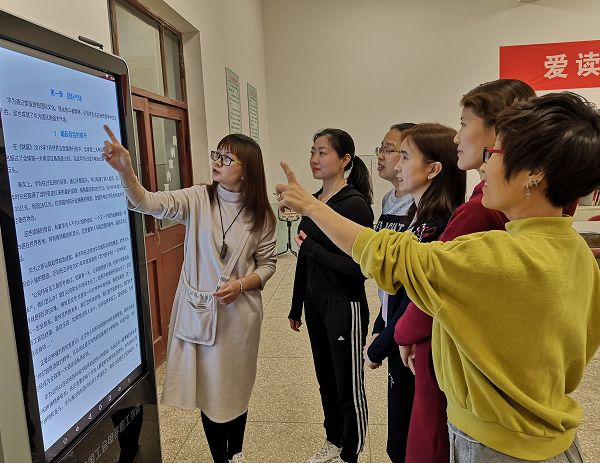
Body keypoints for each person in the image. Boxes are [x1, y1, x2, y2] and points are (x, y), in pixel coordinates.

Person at [276, 91, 600, 462]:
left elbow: (387, 255)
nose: (484, 168)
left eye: (494, 154)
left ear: (534, 175)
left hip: (495, 447)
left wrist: (311, 205)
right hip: (554, 440)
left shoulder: (490, 255)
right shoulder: (578, 254)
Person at [102, 127, 276, 463]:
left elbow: (268, 264)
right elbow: (147, 202)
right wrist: (126, 171)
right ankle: (222, 458)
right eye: (217, 155)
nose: (217, 162)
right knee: (211, 393)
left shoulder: (261, 215)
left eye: (227, 158)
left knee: (237, 390)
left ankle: (236, 453)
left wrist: (241, 284)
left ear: (248, 170)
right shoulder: (198, 199)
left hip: (240, 319)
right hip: (201, 314)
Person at [394, 78, 536, 463]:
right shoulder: (505, 202)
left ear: (498, 131)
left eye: (463, 123)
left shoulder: (479, 209)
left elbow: (435, 282)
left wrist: (403, 332)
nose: (458, 136)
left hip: (453, 346)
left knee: (431, 439)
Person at [364, 123, 465, 462]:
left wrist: (378, 346)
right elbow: (395, 289)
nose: (396, 164)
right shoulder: (416, 216)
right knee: (399, 434)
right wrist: (381, 325)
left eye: (405, 156)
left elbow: (416, 300)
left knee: (411, 439)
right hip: (399, 339)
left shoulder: (439, 225)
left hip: (416, 348)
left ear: (433, 169)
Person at [289, 128, 374, 463]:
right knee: (326, 379)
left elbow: (360, 269)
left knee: (347, 385)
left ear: (344, 160)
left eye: (322, 152)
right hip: (316, 304)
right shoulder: (314, 201)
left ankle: (351, 452)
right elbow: (304, 257)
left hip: (344, 305)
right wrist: (297, 304)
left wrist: (313, 248)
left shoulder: (355, 205)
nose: (314, 158)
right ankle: (334, 440)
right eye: (313, 151)